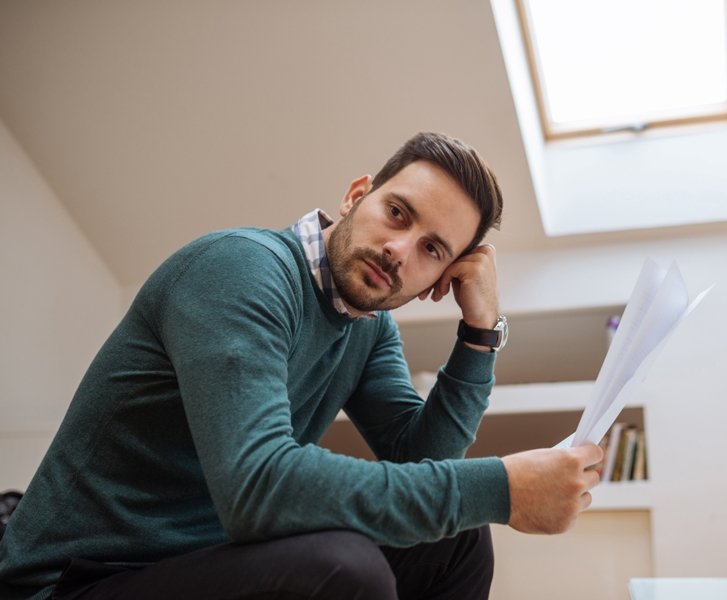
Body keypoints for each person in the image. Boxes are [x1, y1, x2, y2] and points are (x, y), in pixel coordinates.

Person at [0, 132, 604, 600]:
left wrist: (479, 336)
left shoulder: (367, 327)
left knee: (456, 542)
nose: (400, 249)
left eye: (432, 250)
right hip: (74, 581)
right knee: (344, 570)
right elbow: (258, 486)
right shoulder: (242, 270)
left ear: (436, 282)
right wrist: (502, 488)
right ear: (355, 195)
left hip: (194, 562)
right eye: (398, 213)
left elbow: (422, 460)